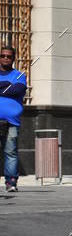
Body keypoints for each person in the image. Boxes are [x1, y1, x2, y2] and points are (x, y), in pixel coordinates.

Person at [0, 46, 27, 193]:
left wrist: (6, 88)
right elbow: (8, 90)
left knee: (10, 152)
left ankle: (11, 182)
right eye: (3, 55)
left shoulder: (19, 75)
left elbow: (16, 90)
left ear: (13, 59)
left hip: (11, 121)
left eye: (8, 56)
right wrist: (5, 86)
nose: (5, 58)